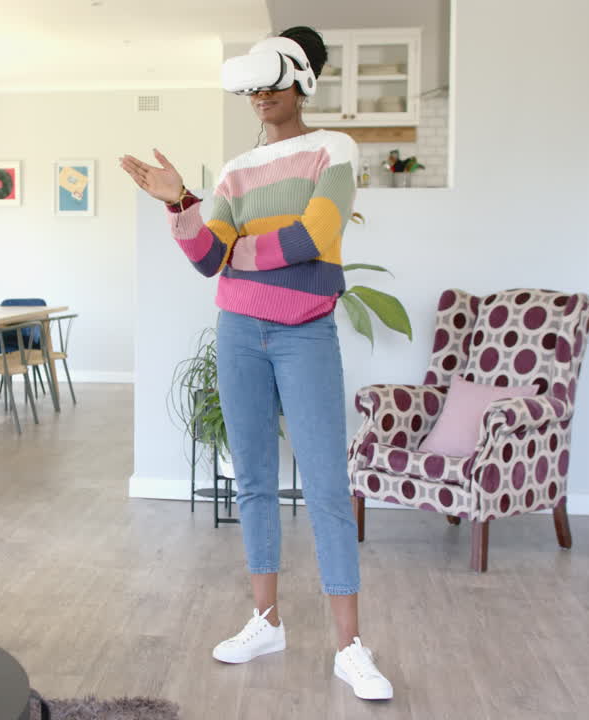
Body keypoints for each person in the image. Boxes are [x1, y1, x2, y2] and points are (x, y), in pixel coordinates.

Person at [119, 26, 393, 701]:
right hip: (239, 330)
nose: (262, 95)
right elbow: (208, 256)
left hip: (304, 333)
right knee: (254, 484)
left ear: (302, 80)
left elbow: (315, 236)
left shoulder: (335, 148)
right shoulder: (237, 169)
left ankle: (350, 648)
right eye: (253, 86)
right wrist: (180, 200)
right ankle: (265, 620)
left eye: (274, 81)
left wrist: (241, 244)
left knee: (327, 486)